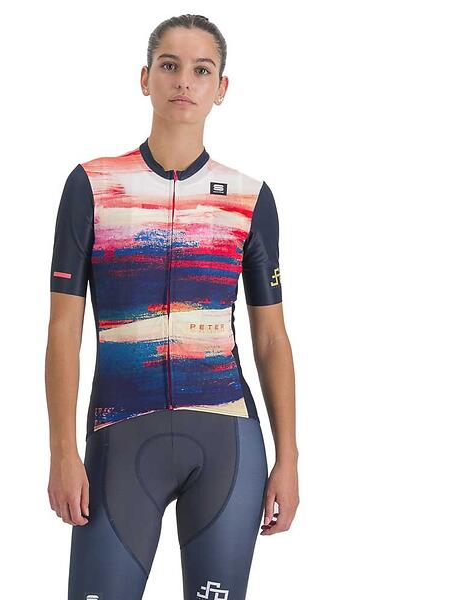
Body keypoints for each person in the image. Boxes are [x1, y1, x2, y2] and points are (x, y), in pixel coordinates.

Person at [45, 14, 299, 600]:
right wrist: (61, 452)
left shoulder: (250, 198)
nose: (184, 80)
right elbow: (63, 330)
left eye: (201, 70)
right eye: (170, 65)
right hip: (119, 437)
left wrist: (288, 457)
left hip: (228, 440)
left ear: (221, 88)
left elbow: (271, 338)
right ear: (145, 78)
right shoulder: (92, 185)